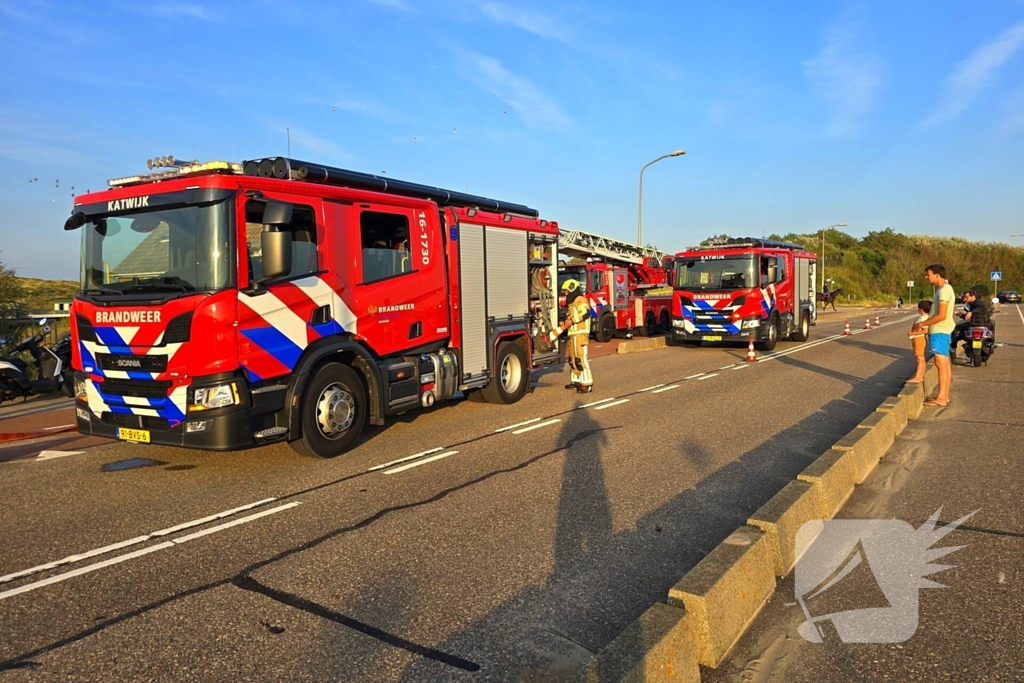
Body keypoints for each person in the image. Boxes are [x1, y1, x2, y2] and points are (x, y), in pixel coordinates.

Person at [910, 264, 955, 406]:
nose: (926, 277)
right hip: (942, 330)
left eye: (928, 275)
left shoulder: (944, 291)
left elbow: (941, 315)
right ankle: (944, 396)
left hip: (940, 330)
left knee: (940, 363)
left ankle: (941, 397)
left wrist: (922, 324)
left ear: (937, 275)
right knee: (945, 364)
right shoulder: (943, 290)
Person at [549, 279, 594, 393]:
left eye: (567, 291)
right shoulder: (572, 303)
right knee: (572, 359)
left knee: (580, 359)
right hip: (573, 334)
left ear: (572, 288)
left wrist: (572, 320)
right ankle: (576, 381)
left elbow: (585, 313)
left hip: (581, 334)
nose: (565, 294)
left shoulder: (580, 299)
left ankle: (587, 383)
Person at [907, 300, 930, 383]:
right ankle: (920, 376)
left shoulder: (924, 318)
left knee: (919, 358)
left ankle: (918, 377)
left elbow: (926, 330)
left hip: (919, 339)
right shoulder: (924, 317)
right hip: (918, 338)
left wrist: (913, 333)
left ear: (921, 309)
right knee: (921, 358)